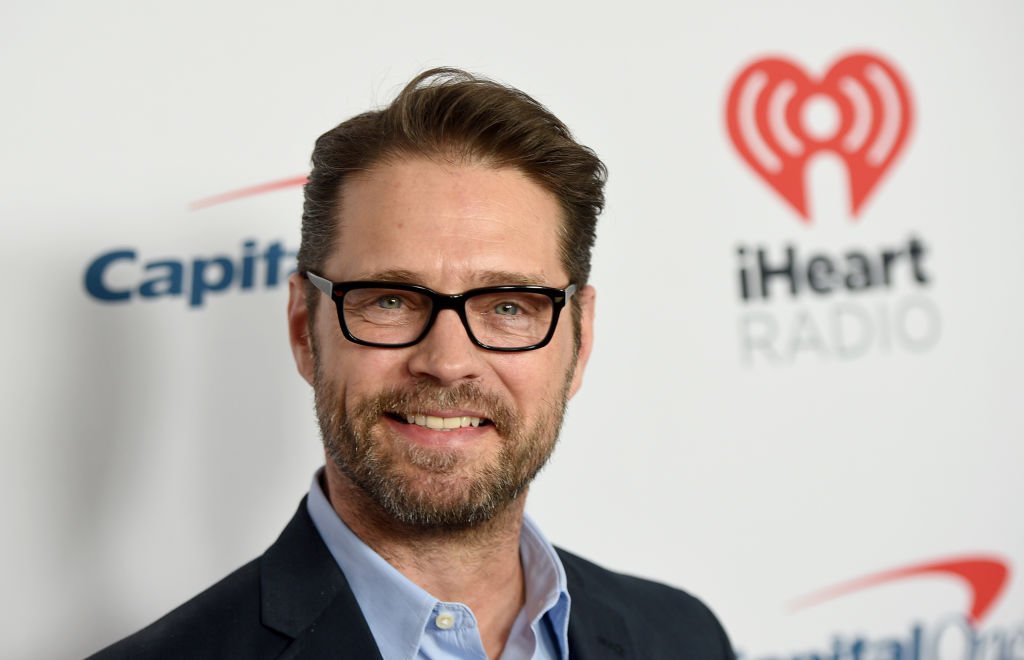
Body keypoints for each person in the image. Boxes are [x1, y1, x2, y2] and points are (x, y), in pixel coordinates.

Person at [89, 68, 734, 660]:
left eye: (508, 306)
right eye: (391, 300)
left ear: (580, 338)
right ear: (303, 330)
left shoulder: (683, 636)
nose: (449, 362)